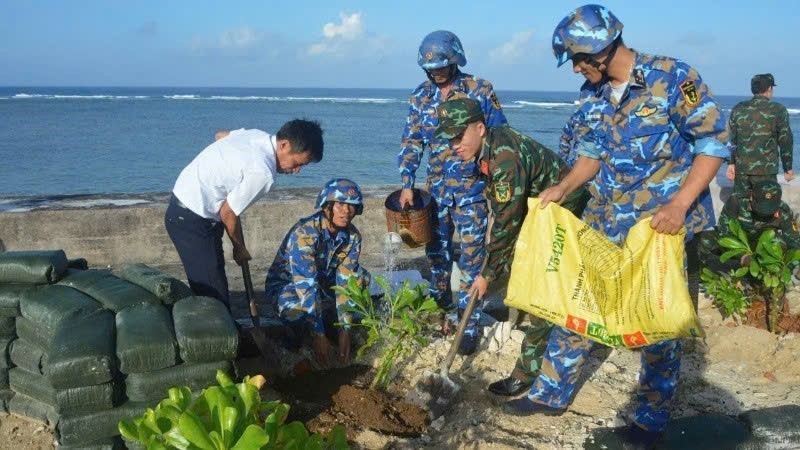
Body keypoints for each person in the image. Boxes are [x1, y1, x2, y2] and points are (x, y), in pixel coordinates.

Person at [503, 5, 731, 448]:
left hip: (658, 226)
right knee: (579, 301)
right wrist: (562, 189)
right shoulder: (592, 95)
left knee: (655, 319)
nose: (574, 69)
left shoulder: (672, 78)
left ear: (599, 52)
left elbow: (713, 144)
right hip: (605, 217)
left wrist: (681, 205)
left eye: (577, 59)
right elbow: (589, 155)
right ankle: (551, 394)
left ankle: (650, 418)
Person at [434, 97, 590, 390]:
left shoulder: (504, 159)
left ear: (480, 128)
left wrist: (488, 274)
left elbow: (507, 223)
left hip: (563, 214)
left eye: (459, 136)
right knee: (523, 274)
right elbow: (506, 216)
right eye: (449, 139)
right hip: (542, 213)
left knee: (542, 289)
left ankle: (525, 374)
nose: (454, 145)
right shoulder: (490, 147)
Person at [398, 30, 508, 352]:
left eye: (443, 66)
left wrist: (497, 181)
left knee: (473, 262)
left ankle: (468, 326)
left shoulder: (479, 89)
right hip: (436, 195)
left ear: (456, 59)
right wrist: (407, 182)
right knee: (437, 260)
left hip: (472, 192)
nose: (437, 73)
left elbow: (500, 136)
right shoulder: (419, 97)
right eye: (431, 68)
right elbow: (412, 140)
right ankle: (441, 314)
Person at [165, 120, 324, 307]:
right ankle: (221, 333)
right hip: (191, 219)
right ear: (284, 144)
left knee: (214, 282)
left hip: (183, 203)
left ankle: (227, 327)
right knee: (212, 295)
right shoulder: (263, 173)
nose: (296, 171)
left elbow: (221, 135)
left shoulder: (255, 135)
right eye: (297, 163)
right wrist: (239, 247)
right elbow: (228, 212)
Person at [265, 178, 370, 368]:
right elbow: (306, 285)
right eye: (340, 204)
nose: (346, 211)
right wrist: (318, 335)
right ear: (326, 206)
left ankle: (331, 330)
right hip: (289, 285)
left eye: (352, 206)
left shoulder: (353, 237)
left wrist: (345, 330)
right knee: (296, 313)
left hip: (322, 284)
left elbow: (347, 283)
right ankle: (293, 345)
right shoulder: (305, 233)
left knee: (362, 279)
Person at [699, 180, 800, 271]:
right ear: (751, 196)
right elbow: (724, 232)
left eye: (769, 210)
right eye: (761, 208)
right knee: (703, 239)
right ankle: (707, 270)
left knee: (779, 242)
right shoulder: (737, 202)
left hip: (762, 247)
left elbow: (794, 243)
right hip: (736, 243)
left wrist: (786, 268)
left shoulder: (784, 211)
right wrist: (743, 256)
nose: (763, 214)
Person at [727, 74, 794, 199]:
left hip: (742, 171)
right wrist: (788, 168)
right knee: (766, 208)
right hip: (766, 171)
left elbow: (732, 139)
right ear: (769, 89)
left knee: (742, 207)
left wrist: (731, 163)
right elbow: (785, 140)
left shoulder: (738, 109)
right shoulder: (778, 110)